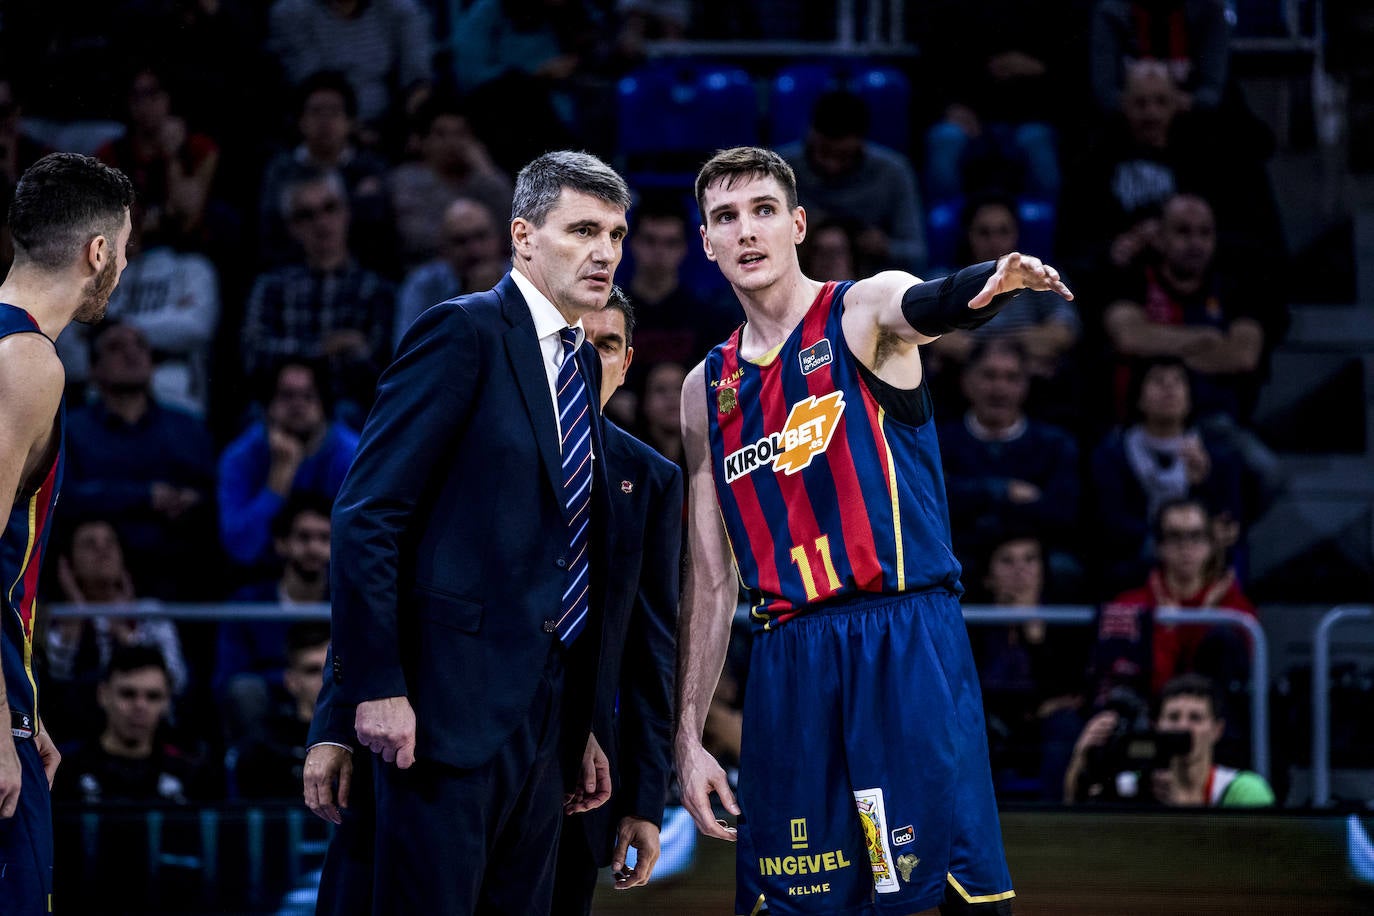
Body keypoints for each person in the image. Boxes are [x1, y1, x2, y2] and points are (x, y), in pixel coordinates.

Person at [674, 146, 1071, 915]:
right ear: (707, 242)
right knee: (795, 901)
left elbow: (923, 304)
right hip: (787, 660)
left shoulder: (861, 314)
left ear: (797, 225)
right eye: (726, 217)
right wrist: (686, 740)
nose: (746, 230)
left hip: (900, 640)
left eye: (763, 211)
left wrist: (987, 286)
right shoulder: (705, 391)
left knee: (929, 893)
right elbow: (712, 583)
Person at [328, 150, 631, 913]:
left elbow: (568, 552)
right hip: (443, 713)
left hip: (546, 722)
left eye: (616, 234)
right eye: (583, 230)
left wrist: (583, 721)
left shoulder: (580, 367)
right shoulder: (461, 332)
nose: (604, 251)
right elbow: (368, 516)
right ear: (523, 236)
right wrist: (377, 686)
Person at [0, 151, 132, 915]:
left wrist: (25, 707)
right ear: (98, 251)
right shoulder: (26, 361)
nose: (126, 265)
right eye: (126, 247)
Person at [552, 286, 682, 912]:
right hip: (474, 753)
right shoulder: (485, 450)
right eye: (575, 342)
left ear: (627, 362)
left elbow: (652, 654)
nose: (588, 360)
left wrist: (645, 802)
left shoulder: (653, 478)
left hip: (585, 778)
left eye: (605, 346)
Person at [217, 359, 359, 572]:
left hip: (334, 574)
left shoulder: (352, 455)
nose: (297, 404)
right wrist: (279, 477)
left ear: (323, 403)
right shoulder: (239, 457)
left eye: (308, 395)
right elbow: (240, 548)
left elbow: (360, 543)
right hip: (262, 575)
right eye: (287, 395)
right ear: (268, 405)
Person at [1063, 672, 1274, 807]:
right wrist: (1081, 757)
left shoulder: (1244, 790)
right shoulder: (1134, 785)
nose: (1182, 727)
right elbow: (1078, 822)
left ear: (1217, 730)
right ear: (1156, 726)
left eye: (1195, 718)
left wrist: (1185, 805)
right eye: (1173, 717)